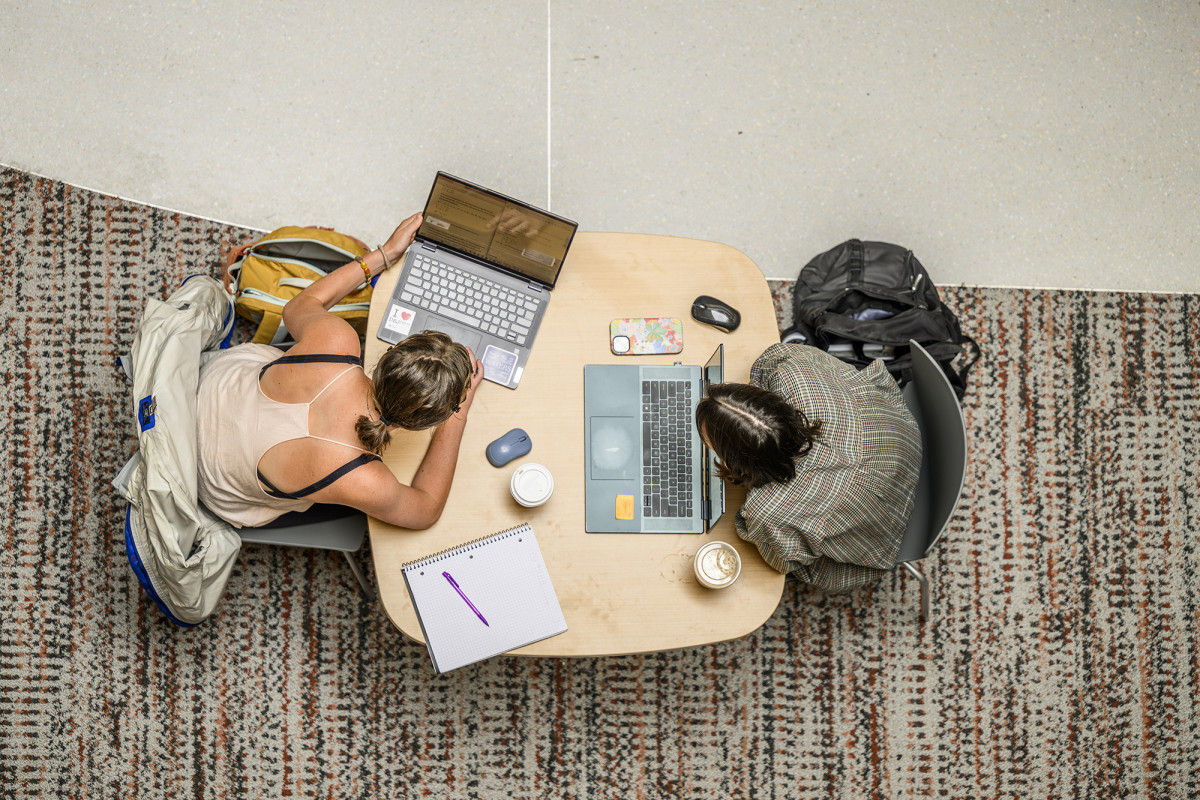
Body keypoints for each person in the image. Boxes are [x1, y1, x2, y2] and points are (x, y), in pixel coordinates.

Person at [197, 212, 484, 530]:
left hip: (204, 392)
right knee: (355, 515)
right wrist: (458, 413)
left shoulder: (336, 340)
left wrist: (384, 253)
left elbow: (300, 306)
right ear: (425, 423)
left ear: (389, 355)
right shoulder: (363, 480)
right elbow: (425, 511)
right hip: (207, 479)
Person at [695, 343, 921, 591]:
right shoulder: (794, 373)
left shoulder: (768, 514)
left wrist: (751, 515)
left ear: (737, 463)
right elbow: (768, 359)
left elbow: (781, 561)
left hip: (879, 537)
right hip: (902, 440)